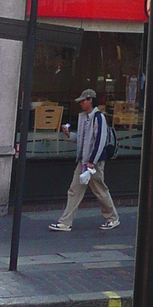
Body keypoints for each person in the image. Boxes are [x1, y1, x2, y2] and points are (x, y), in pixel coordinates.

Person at [48, 88, 120, 232]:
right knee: (75, 190)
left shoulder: (98, 117)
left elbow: (100, 141)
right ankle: (65, 222)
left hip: (93, 162)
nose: (80, 103)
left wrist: (92, 161)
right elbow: (83, 140)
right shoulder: (84, 117)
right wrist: (70, 135)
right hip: (85, 161)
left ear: (90, 100)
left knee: (99, 190)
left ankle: (112, 218)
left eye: (83, 101)